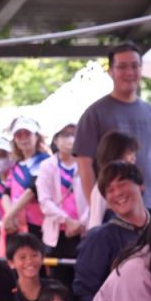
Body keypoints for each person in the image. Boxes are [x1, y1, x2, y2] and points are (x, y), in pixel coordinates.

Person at [74, 42, 151, 212]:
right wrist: (96, 207)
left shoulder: (149, 111)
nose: (129, 73)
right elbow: (84, 166)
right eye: (122, 67)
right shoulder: (94, 114)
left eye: (135, 66)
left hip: (150, 208)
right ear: (111, 71)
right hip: (114, 211)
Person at [72, 161, 151, 301]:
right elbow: (85, 290)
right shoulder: (99, 237)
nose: (118, 193)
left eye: (122, 184)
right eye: (110, 190)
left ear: (140, 186)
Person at [37, 122, 88, 289]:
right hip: (57, 235)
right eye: (65, 135)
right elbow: (44, 201)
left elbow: (95, 198)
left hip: (83, 232)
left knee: (84, 282)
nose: (70, 139)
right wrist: (67, 220)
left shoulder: (87, 165)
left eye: (73, 134)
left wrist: (81, 223)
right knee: (59, 285)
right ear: (56, 140)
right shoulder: (47, 166)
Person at [1, 117, 51, 240]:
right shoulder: (16, 165)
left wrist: (10, 215)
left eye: (27, 134)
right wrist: (10, 216)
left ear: (37, 137)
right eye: (19, 135)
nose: (23, 138)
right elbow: (6, 193)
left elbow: (33, 190)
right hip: (18, 223)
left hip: (38, 224)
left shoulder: (45, 161)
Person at [85, 130, 140, 229]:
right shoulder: (101, 187)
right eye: (129, 153)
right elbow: (95, 222)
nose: (133, 158)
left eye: (134, 154)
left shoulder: (133, 183)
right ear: (114, 154)